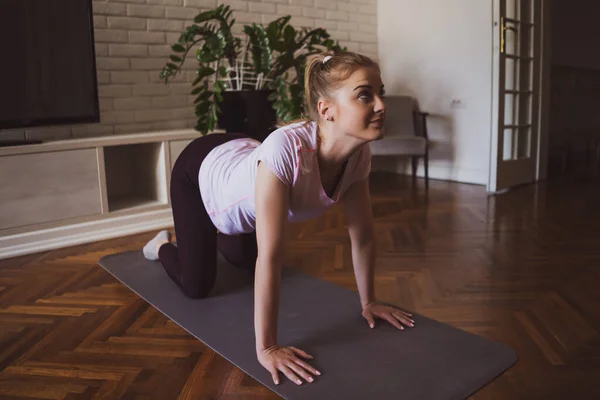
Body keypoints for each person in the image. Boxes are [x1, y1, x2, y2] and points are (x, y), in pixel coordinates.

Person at [142, 50, 415, 386]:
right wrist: (267, 347)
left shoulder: (358, 156)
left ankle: (219, 234)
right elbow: (272, 256)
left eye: (379, 93)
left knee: (244, 259)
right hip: (200, 171)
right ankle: (161, 245)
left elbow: (363, 235)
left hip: (241, 156)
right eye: (364, 95)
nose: (381, 105)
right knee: (197, 285)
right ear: (326, 110)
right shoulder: (287, 151)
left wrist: (369, 301)